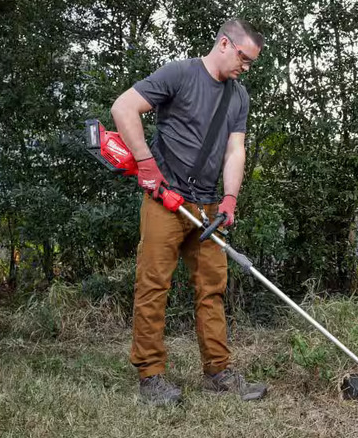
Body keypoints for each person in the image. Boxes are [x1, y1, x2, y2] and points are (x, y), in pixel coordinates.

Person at [110, 18, 265, 405]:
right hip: (165, 199)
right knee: (153, 287)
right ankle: (151, 377)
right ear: (225, 43)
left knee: (212, 289)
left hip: (208, 206)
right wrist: (146, 164)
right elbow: (124, 107)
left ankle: (217, 371)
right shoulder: (180, 74)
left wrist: (229, 198)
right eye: (244, 58)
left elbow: (235, 150)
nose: (244, 67)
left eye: (250, 63)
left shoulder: (239, 96)